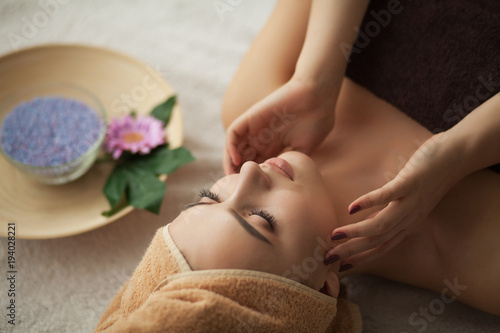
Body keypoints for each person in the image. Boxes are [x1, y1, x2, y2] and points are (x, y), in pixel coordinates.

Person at [222, 0, 500, 272]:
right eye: (261, 219)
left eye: (210, 197)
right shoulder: (471, 248)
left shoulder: (256, 116)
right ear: (324, 287)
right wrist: (461, 151)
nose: (247, 171)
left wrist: (315, 76)